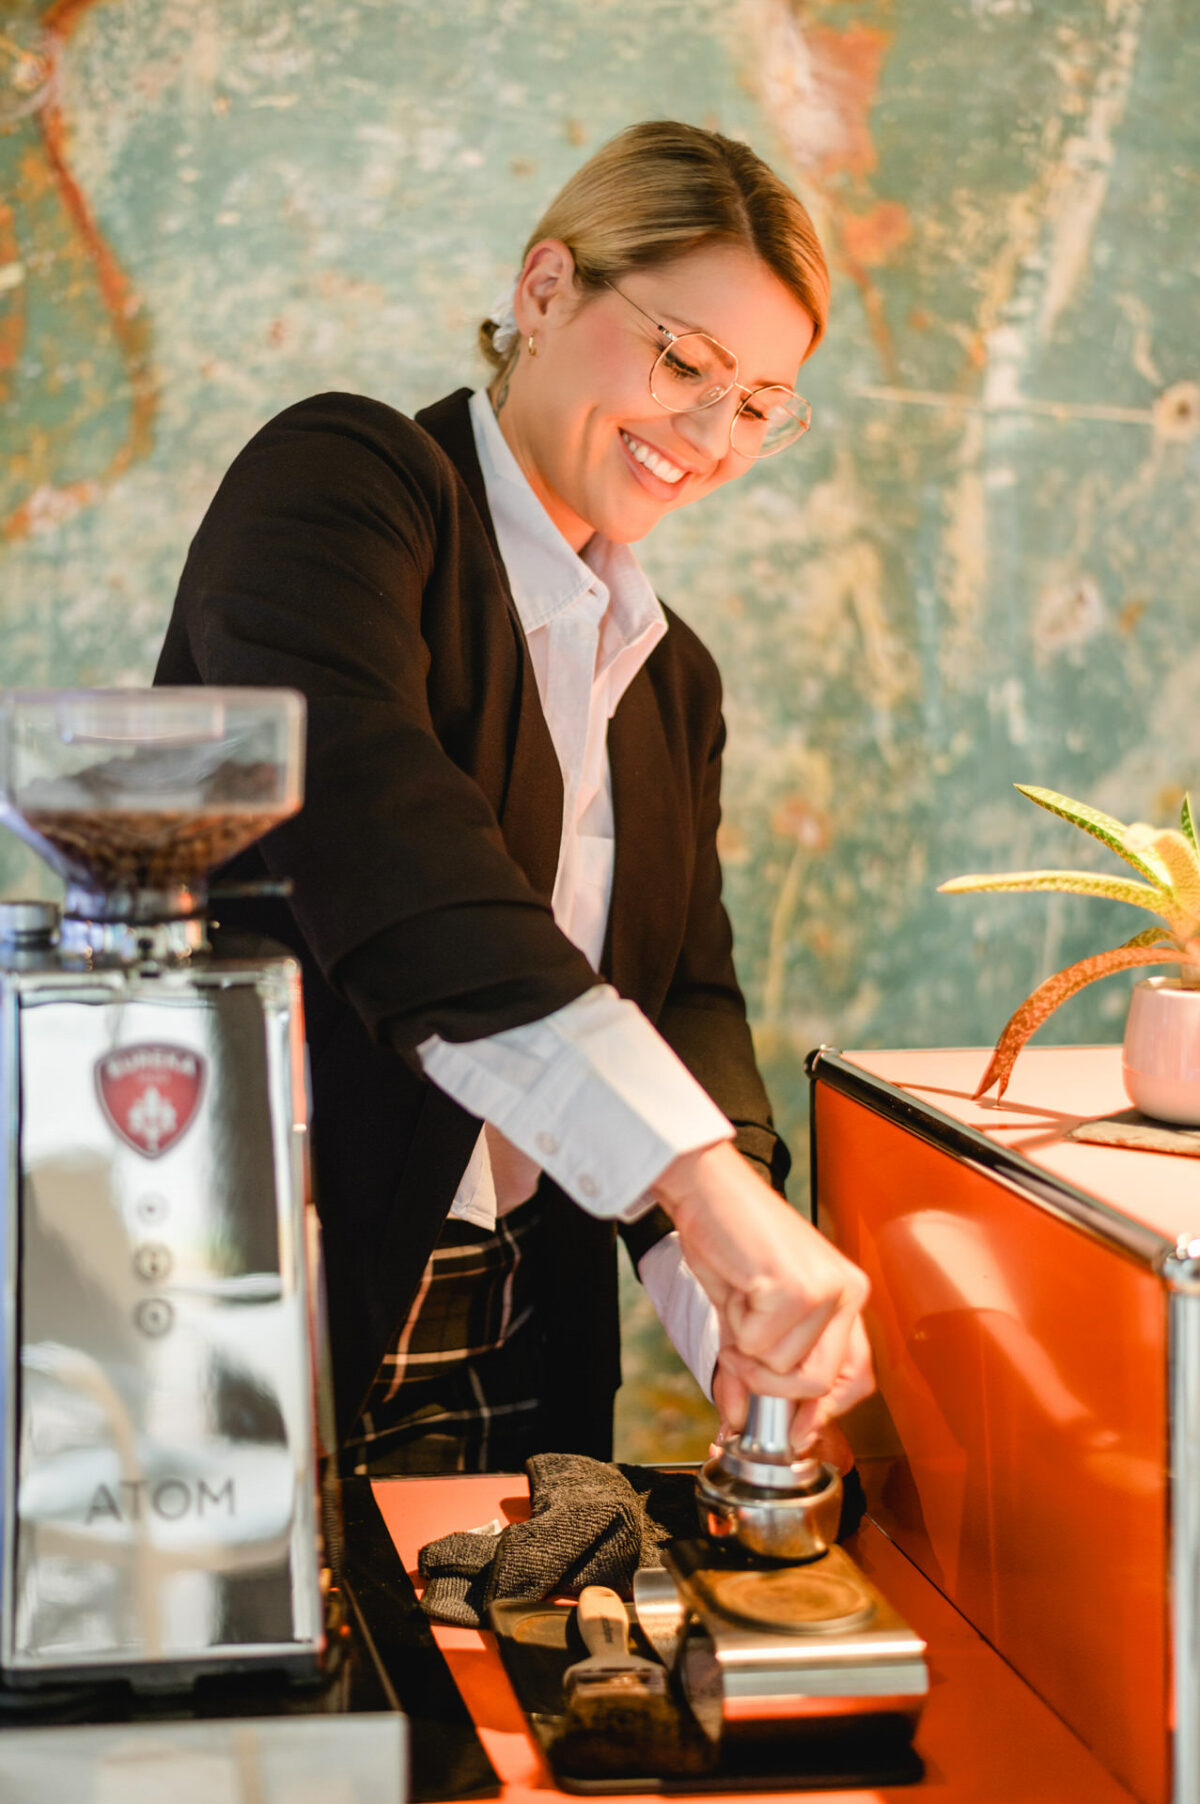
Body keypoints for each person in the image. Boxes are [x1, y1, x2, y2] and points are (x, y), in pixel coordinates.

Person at [155, 119, 873, 1475]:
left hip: (523, 1350)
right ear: (546, 291)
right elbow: (401, 869)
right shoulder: (342, 492)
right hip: (257, 1320)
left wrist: (731, 1310)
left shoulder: (673, 683)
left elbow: (687, 1001)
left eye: (762, 402)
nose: (713, 437)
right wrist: (703, 1191)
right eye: (687, 363)